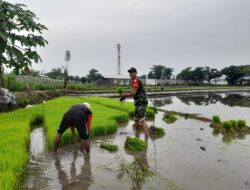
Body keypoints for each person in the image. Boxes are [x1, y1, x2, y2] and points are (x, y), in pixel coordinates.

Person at [120, 67, 149, 138]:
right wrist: (125, 95)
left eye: (132, 72)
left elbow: (133, 93)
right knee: (136, 119)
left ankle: (147, 138)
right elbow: (134, 92)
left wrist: (125, 95)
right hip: (138, 102)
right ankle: (137, 135)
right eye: (130, 73)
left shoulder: (135, 80)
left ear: (135, 73)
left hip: (141, 102)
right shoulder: (134, 80)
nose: (131, 74)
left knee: (142, 120)